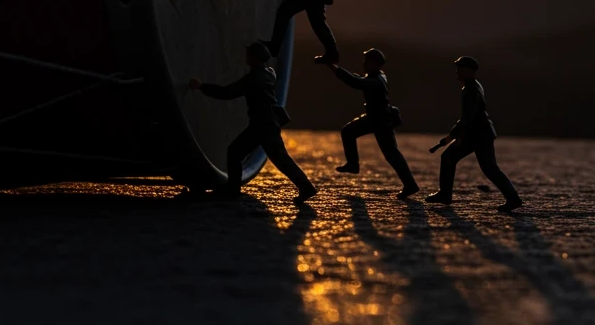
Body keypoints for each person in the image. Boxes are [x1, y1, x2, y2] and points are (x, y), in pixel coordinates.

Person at [188, 41, 317, 203]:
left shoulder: (253, 78)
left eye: (249, 54)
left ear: (255, 58)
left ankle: (233, 190)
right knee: (274, 157)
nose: (246, 57)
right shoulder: (269, 73)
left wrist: (202, 86)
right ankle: (305, 187)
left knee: (239, 153)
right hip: (268, 123)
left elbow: (227, 92)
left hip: (262, 125)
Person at [426, 56, 522, 212]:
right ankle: (512, 198)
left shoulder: (471, 90)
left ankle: (445, 194)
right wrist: (453, 136)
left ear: (468, 71)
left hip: (477, 134)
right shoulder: (472, 86)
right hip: (478, 133)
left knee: (482, 166)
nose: (457, 71)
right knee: (486, 167)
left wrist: (457, 136)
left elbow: (468, 117)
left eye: (460, 68)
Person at [328, 47, 419, 200]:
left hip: (379, 120)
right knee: (389, 151)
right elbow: (360, 80)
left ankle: (354, 164)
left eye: (368, 61)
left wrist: (334, 67)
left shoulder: (376, 80)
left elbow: (356, 82)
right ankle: (353, 164)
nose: (364, 64)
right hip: (378, 118)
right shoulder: (377, 76)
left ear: (375, 64)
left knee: (390, 153)